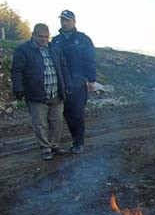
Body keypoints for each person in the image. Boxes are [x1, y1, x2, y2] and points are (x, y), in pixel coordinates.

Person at [11, 23, 71, 160]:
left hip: (56, 92)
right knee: (40, 124)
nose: (44, 39)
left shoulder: (55, 49)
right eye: (41, 37)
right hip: (36, 94)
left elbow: (63, 68)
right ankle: (45, 148)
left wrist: (67, 85)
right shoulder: (23, 50)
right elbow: (17, 71)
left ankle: (54, 145)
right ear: (33, 35)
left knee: (57, 121)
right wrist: (19, 89)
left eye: (46, 36)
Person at [52, 10, 96, 154]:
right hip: (62, 83)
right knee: (66, 114)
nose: (64, 23)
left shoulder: (83, 39)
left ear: (74, 22)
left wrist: (91, 79)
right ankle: (74, 140)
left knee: (77, 113)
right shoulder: (56, 40)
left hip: (78, 83)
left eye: (67, 20)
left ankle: (79, 143)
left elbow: (90, 60)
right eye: (62, 20)